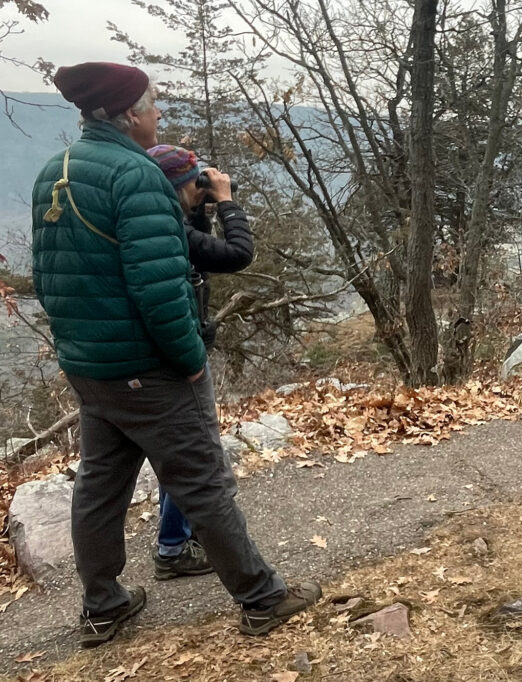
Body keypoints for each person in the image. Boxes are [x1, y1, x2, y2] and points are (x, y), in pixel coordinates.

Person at [31, 61, 319, 648]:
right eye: (154, 103)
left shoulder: (53, 171)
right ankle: (262, 597)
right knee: (204, 481)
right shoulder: (134, 176)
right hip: (150, 370)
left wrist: (76, 351)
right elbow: (159, 289)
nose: (159, 113)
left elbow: (48, 277)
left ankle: (103, 606)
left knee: (99, 487)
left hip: (91, 367)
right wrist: (189, 358)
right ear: (131, 113)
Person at [145, 144, 254, 581]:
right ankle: (173, 547)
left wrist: (198, 205)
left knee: (175, 454)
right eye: (197, 184)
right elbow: (236, 254)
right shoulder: (167, 228)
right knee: (190, 454)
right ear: (177, 187)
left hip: (145, 361)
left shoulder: (163, 220)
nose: (204, 189)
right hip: (175, 360)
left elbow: (199, 252)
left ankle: (176, 537)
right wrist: (226, 202)